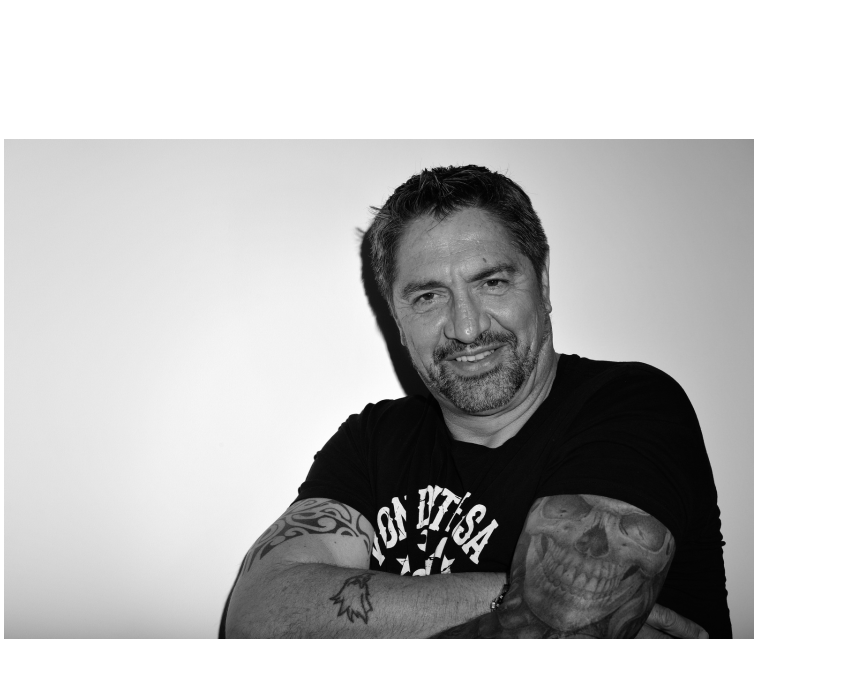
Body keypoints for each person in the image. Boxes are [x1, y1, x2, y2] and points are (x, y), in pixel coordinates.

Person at [222, 165, 732, 639]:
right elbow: (257, 614)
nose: (467, 328)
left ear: (543, 284)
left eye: (492, 282)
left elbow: (566, 627)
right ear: (396, 317)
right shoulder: (371, 441)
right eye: (428, 296)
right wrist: (514, 597)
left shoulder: (631, 405)